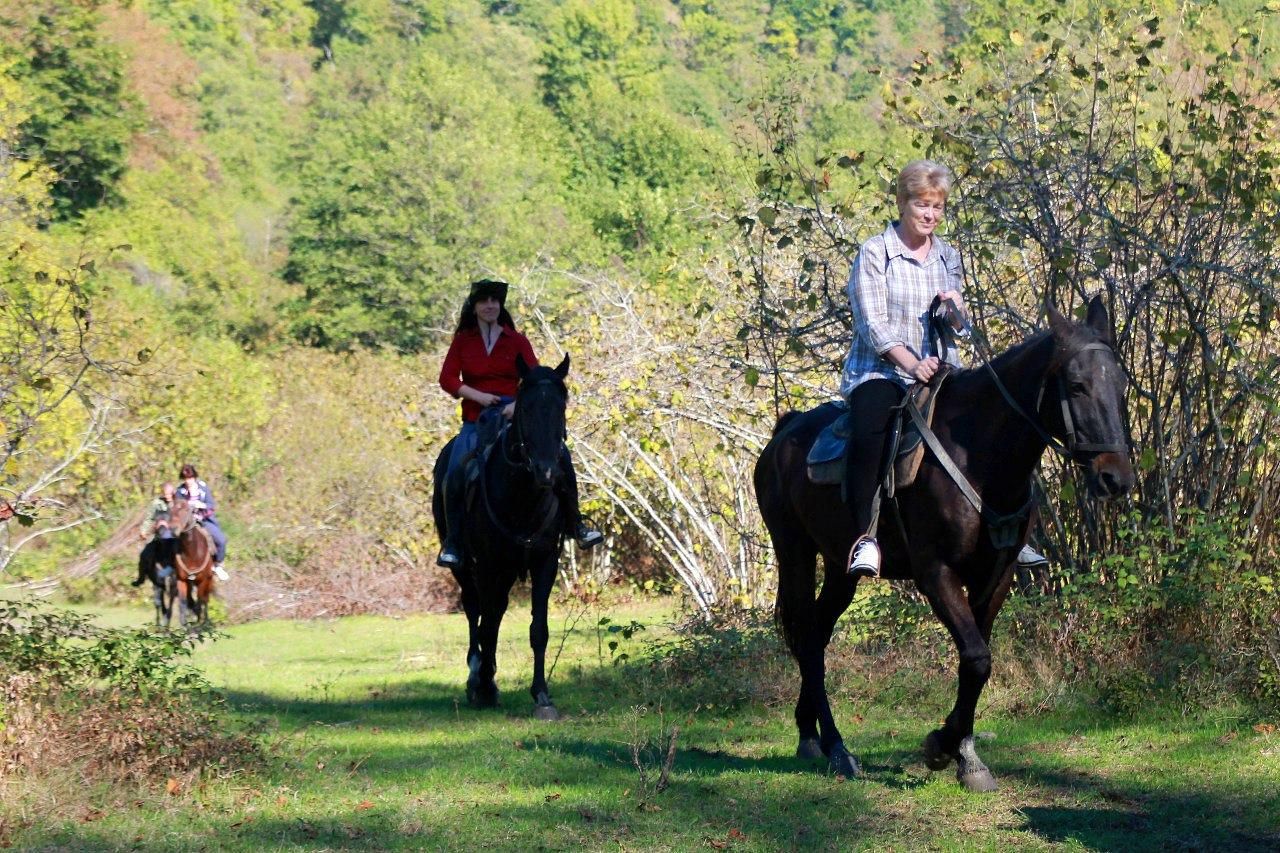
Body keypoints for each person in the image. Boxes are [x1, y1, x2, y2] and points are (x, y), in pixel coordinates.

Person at [840, 160, 1047, 578]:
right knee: (871, 428)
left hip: (943, 371)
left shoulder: (947, 255)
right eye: (922, 205)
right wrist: (911, 364)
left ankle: (1012, 533)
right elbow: (872, 324)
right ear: (902, 203)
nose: (930, 215)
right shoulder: (875, 252)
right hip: (882, 373)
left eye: (937, 207)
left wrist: (956, 310)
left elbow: (958, 327)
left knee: (998, 428)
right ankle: (865, 537)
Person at [436, 278, 602, 568]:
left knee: (561, 458)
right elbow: (447, 379)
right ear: (474, 307)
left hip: (514, 420)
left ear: (500, 306)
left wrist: (516, 406)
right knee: (454, 472)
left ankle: (577, 525)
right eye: (484, 301)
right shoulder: (464, 341)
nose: (490, 306)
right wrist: (479, 396)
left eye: (494, 301)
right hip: (477, 420)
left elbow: (535, 379)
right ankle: (454, 542)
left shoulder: (517, 340)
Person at [174, 463, 229, 581]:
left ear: (194, 477)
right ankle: (170, 566)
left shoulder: (203, 488)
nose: (188, 481)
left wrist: (201, 505)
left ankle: (217, 565)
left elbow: (211, 505)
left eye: (190, 478)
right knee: (169, 539)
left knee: (221, 540)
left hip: (203, 520)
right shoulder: (180, 491)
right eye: (186, 478)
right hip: (185, 523)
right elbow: (177, 507)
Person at [132, 482, 176, 587]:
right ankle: (141, 578)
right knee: (144, 555)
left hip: (175, 536)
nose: (168, 496)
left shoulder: (178, 502)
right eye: (166, 494)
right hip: (159, 536)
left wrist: (168, 523)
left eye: (170, 494)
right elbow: (149, 519)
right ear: (162, 493)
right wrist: (143, 531)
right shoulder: (156, 503)